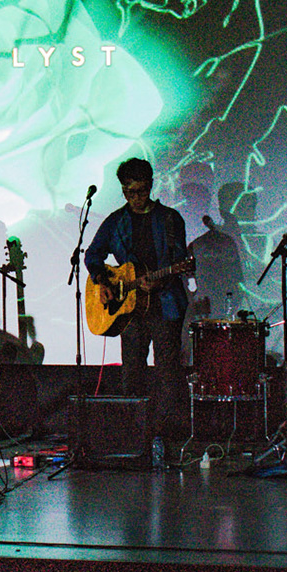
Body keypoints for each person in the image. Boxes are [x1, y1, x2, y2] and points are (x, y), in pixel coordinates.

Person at [84, 157, 191, 437]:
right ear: (123, 190)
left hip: (165, 304)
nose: (136, 198)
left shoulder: (170, 219)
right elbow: (92, 255)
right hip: (130, 309)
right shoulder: (115, 221)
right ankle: (135, 433)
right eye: (130, 192)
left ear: (151, 186)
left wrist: (159, 281)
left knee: (168, 370)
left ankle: (168, 433)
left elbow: (179, 260)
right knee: (132, 371)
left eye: (142, 191)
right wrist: (102, 282)